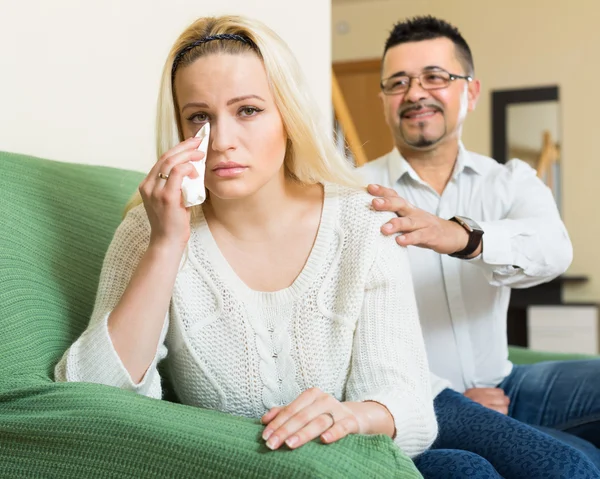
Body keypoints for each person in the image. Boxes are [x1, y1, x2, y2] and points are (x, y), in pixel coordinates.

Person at [54, 14, 439, 460]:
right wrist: (165, 246)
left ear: (287, 117)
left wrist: (352, 416)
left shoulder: (364, 223)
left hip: (344, 463)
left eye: (248, 111)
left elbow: (410, 408)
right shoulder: (149, 229)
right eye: (199, 117)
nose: (220, 141)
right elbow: (87, 401)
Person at [360, 15, 600, 478]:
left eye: (435, 77)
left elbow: (555, 250)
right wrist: (451, 402)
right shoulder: (354, 194)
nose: (414, 94)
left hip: (510, 384)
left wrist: (466, 238)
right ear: (385, 99)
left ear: (469, 91)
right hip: (422, 400)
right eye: (398, 83)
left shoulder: (508, 180)